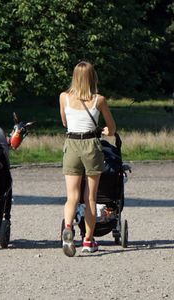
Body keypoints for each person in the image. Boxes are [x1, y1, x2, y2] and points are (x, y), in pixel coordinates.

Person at [59, 61, 116, 257]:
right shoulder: (98, 100)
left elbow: (65, 122)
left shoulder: (64, 97)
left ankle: (68, 227)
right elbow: (111, 128)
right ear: (93, 78)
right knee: (90, 197)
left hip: (72, 144)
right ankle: (88, 240)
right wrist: (107, 131)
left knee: (72, 197)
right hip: (91, 145)